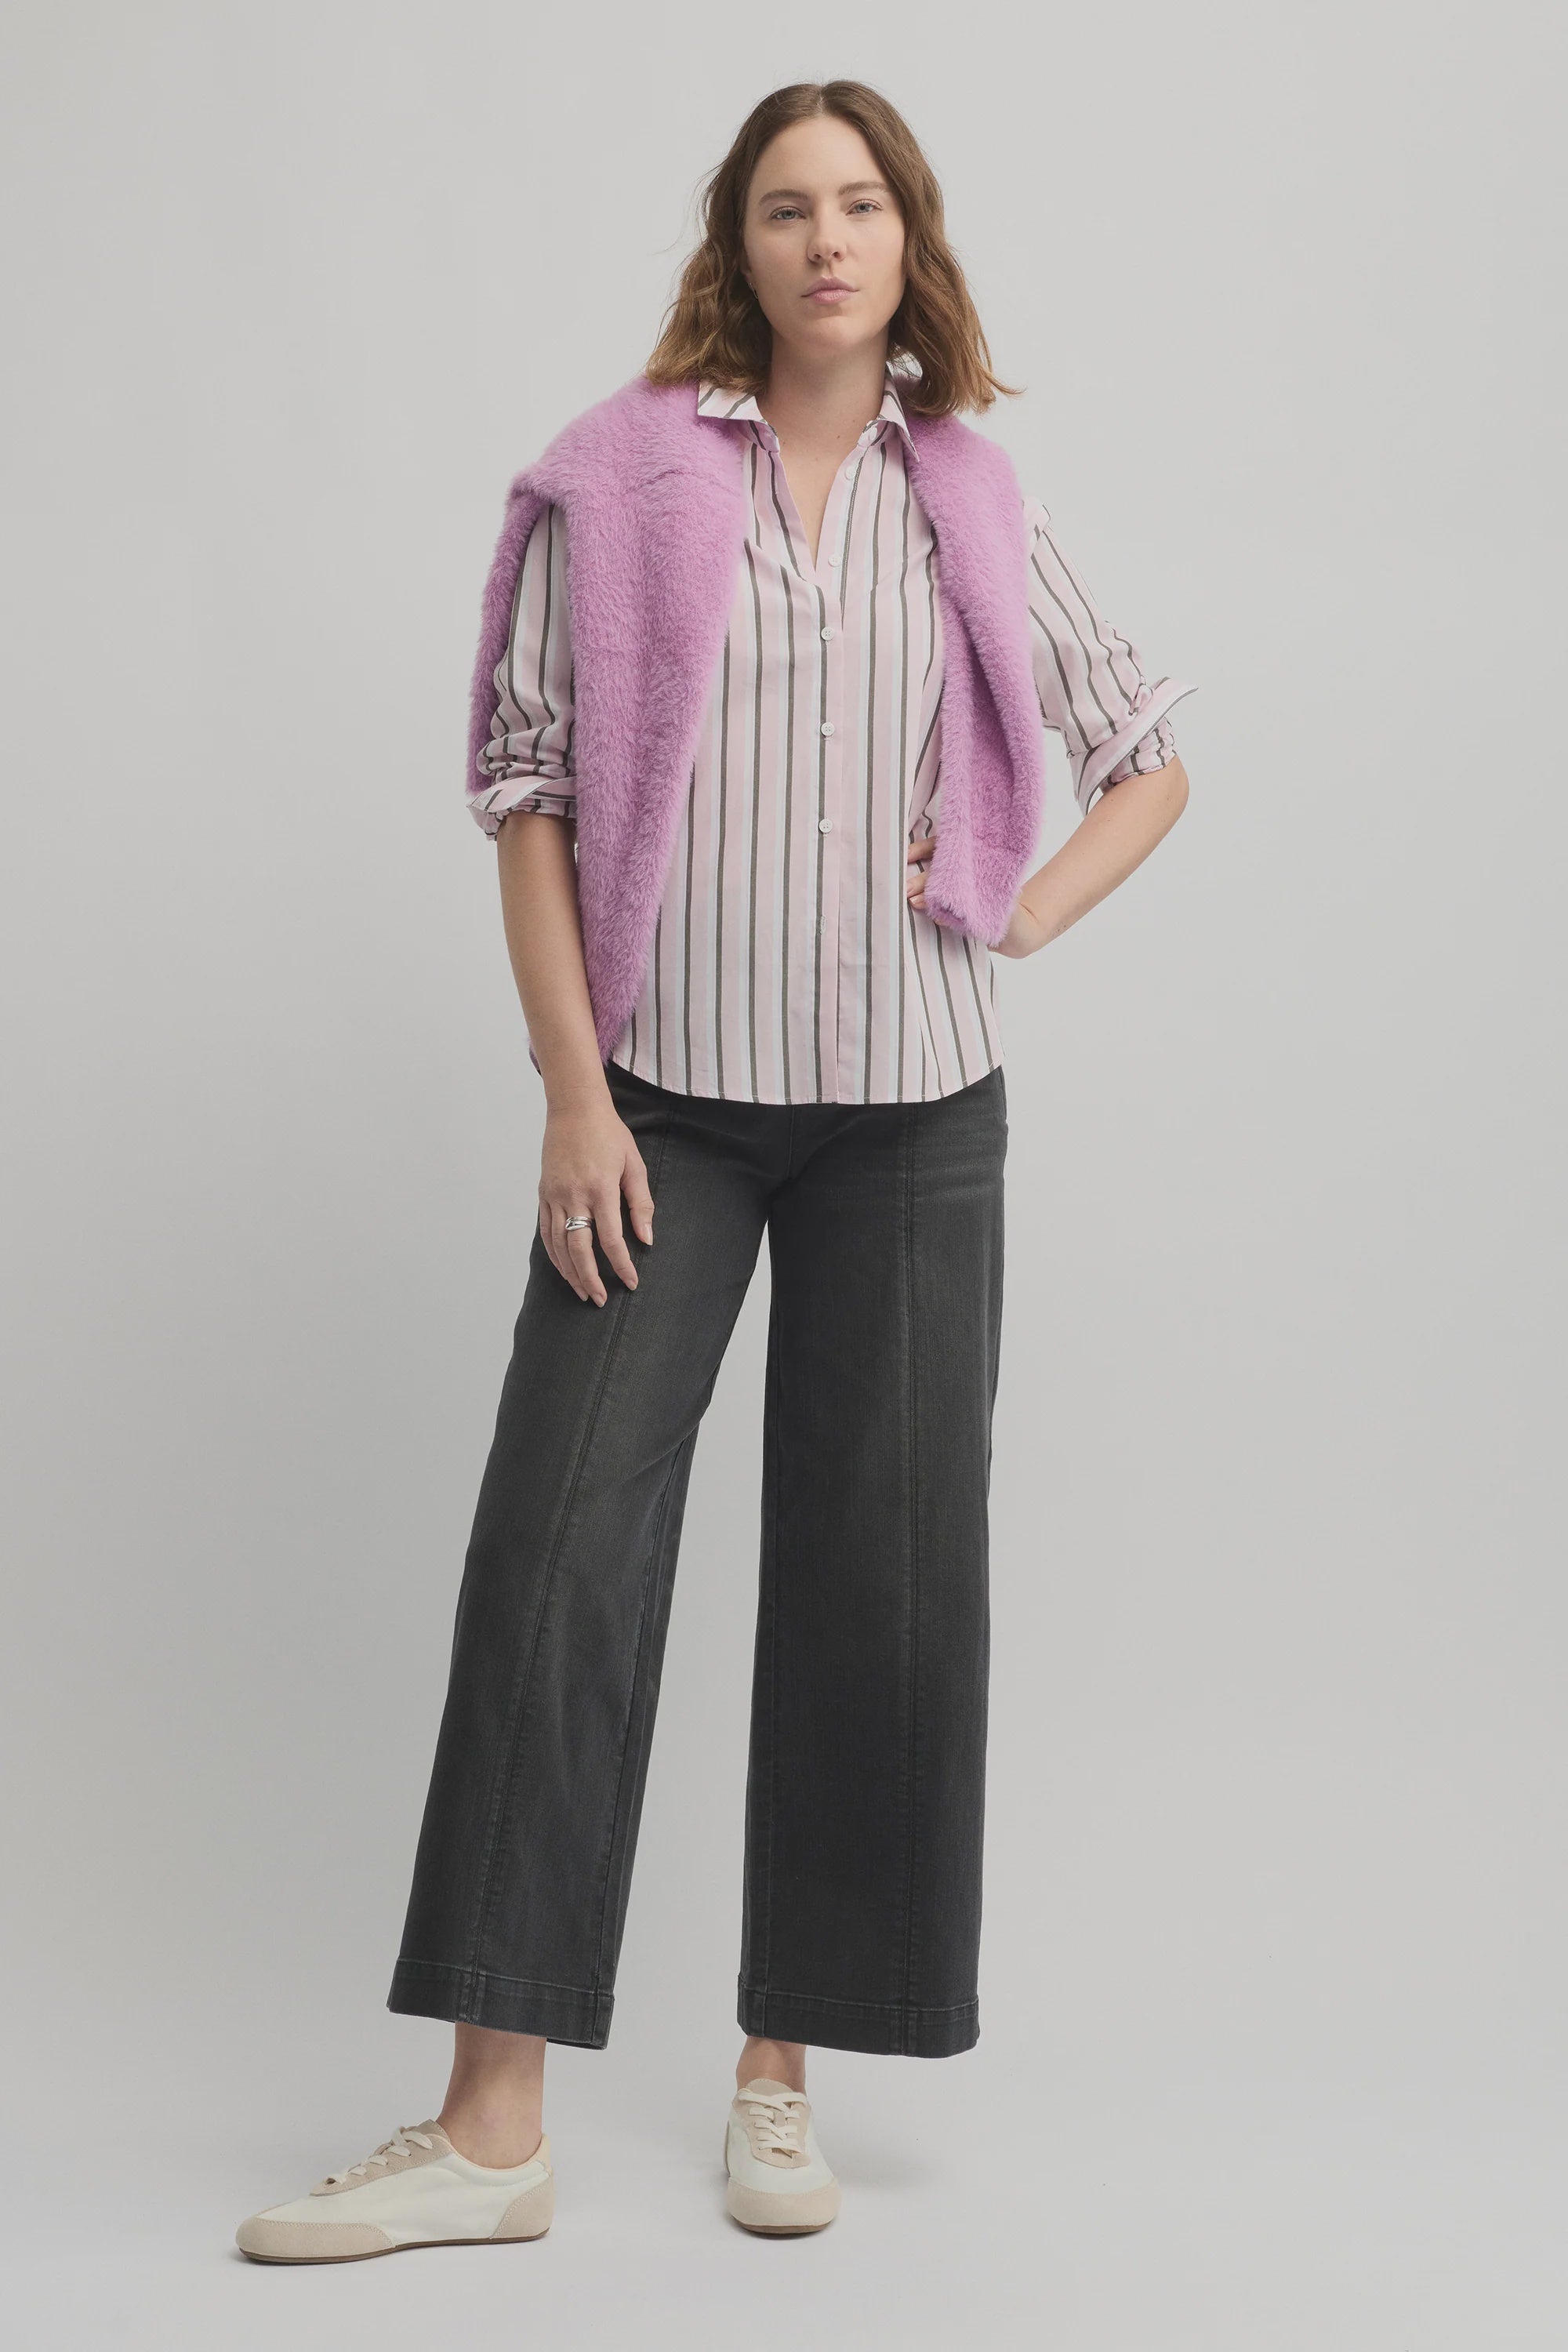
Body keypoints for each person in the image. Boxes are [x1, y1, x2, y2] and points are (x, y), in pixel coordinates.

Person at [235, 78, 1194, 2262]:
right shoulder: (627, 473)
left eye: (859, 204)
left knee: (877, 1576)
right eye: (785, 207)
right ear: (737, 245)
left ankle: (783, 2076)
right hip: (662, 1107)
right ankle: (490, 2129)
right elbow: (531, 794)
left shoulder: (973, 492)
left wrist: (1017, 907)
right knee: (557, 1548)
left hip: (919, 1124)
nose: (825, 240)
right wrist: (573, 1094)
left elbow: (1146, 755)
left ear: (907, 237)